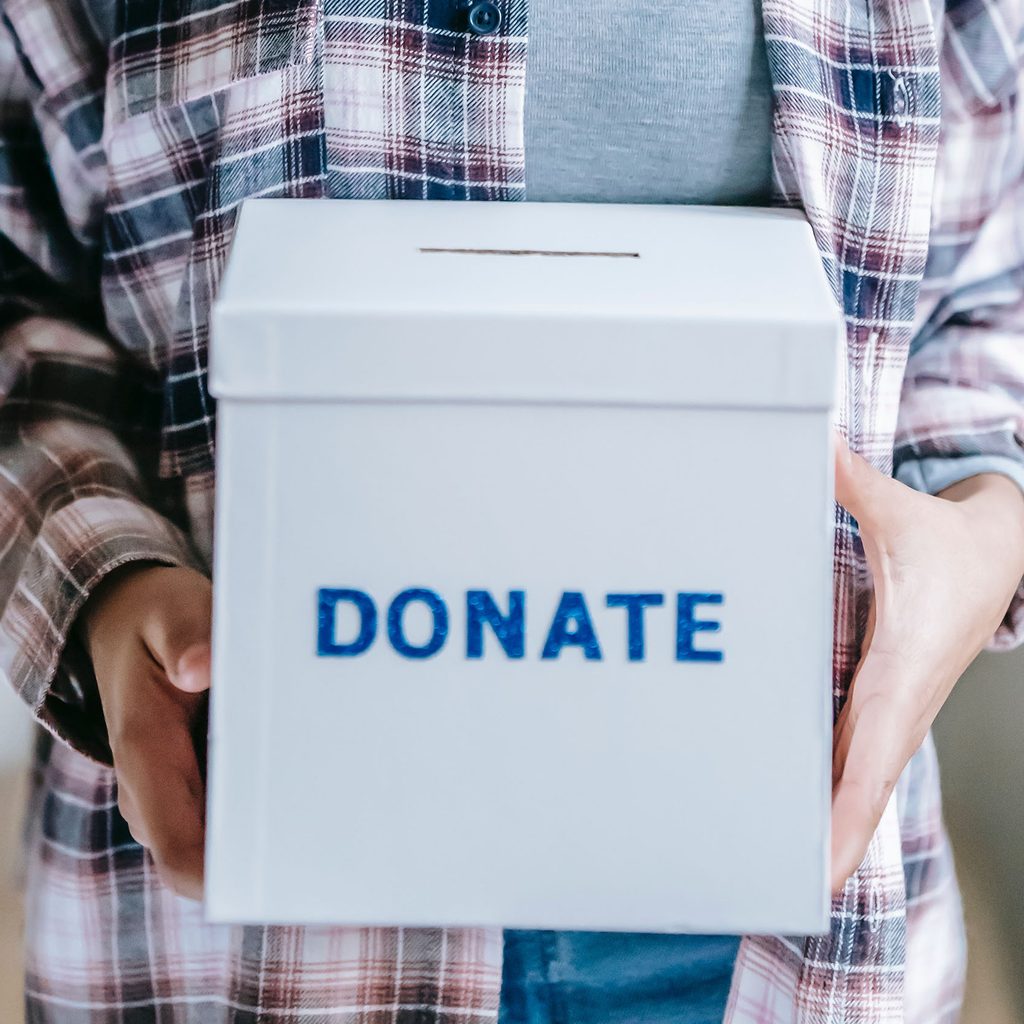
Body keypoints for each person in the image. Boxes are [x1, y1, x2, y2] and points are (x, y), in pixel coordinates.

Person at [1, 0, 1022, 1021]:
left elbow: (987, 294)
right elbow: (19, 284)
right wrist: (105, 575)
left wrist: (984, 523)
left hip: (765, 929)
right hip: (251, 925)